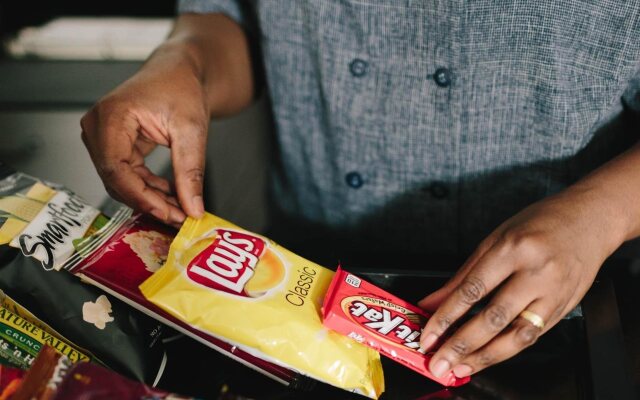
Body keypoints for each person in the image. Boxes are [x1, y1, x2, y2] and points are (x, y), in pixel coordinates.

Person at [81, 1, 640, 381]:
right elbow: (231, 20)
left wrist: (604, 214)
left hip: (585, 307)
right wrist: (185, 60)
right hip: (307, 286)